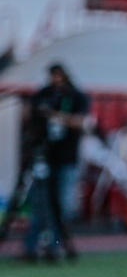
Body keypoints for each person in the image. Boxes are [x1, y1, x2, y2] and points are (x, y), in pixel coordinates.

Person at [21, 63, 88, 261]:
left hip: (66, 158)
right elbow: (29, 115)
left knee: (63, 206)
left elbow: (81, 122)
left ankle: (55, 245)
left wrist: (56, 115)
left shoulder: (75, 96)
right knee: (40, 204)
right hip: (44, 157)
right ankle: (33, 247)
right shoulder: (43, 94)